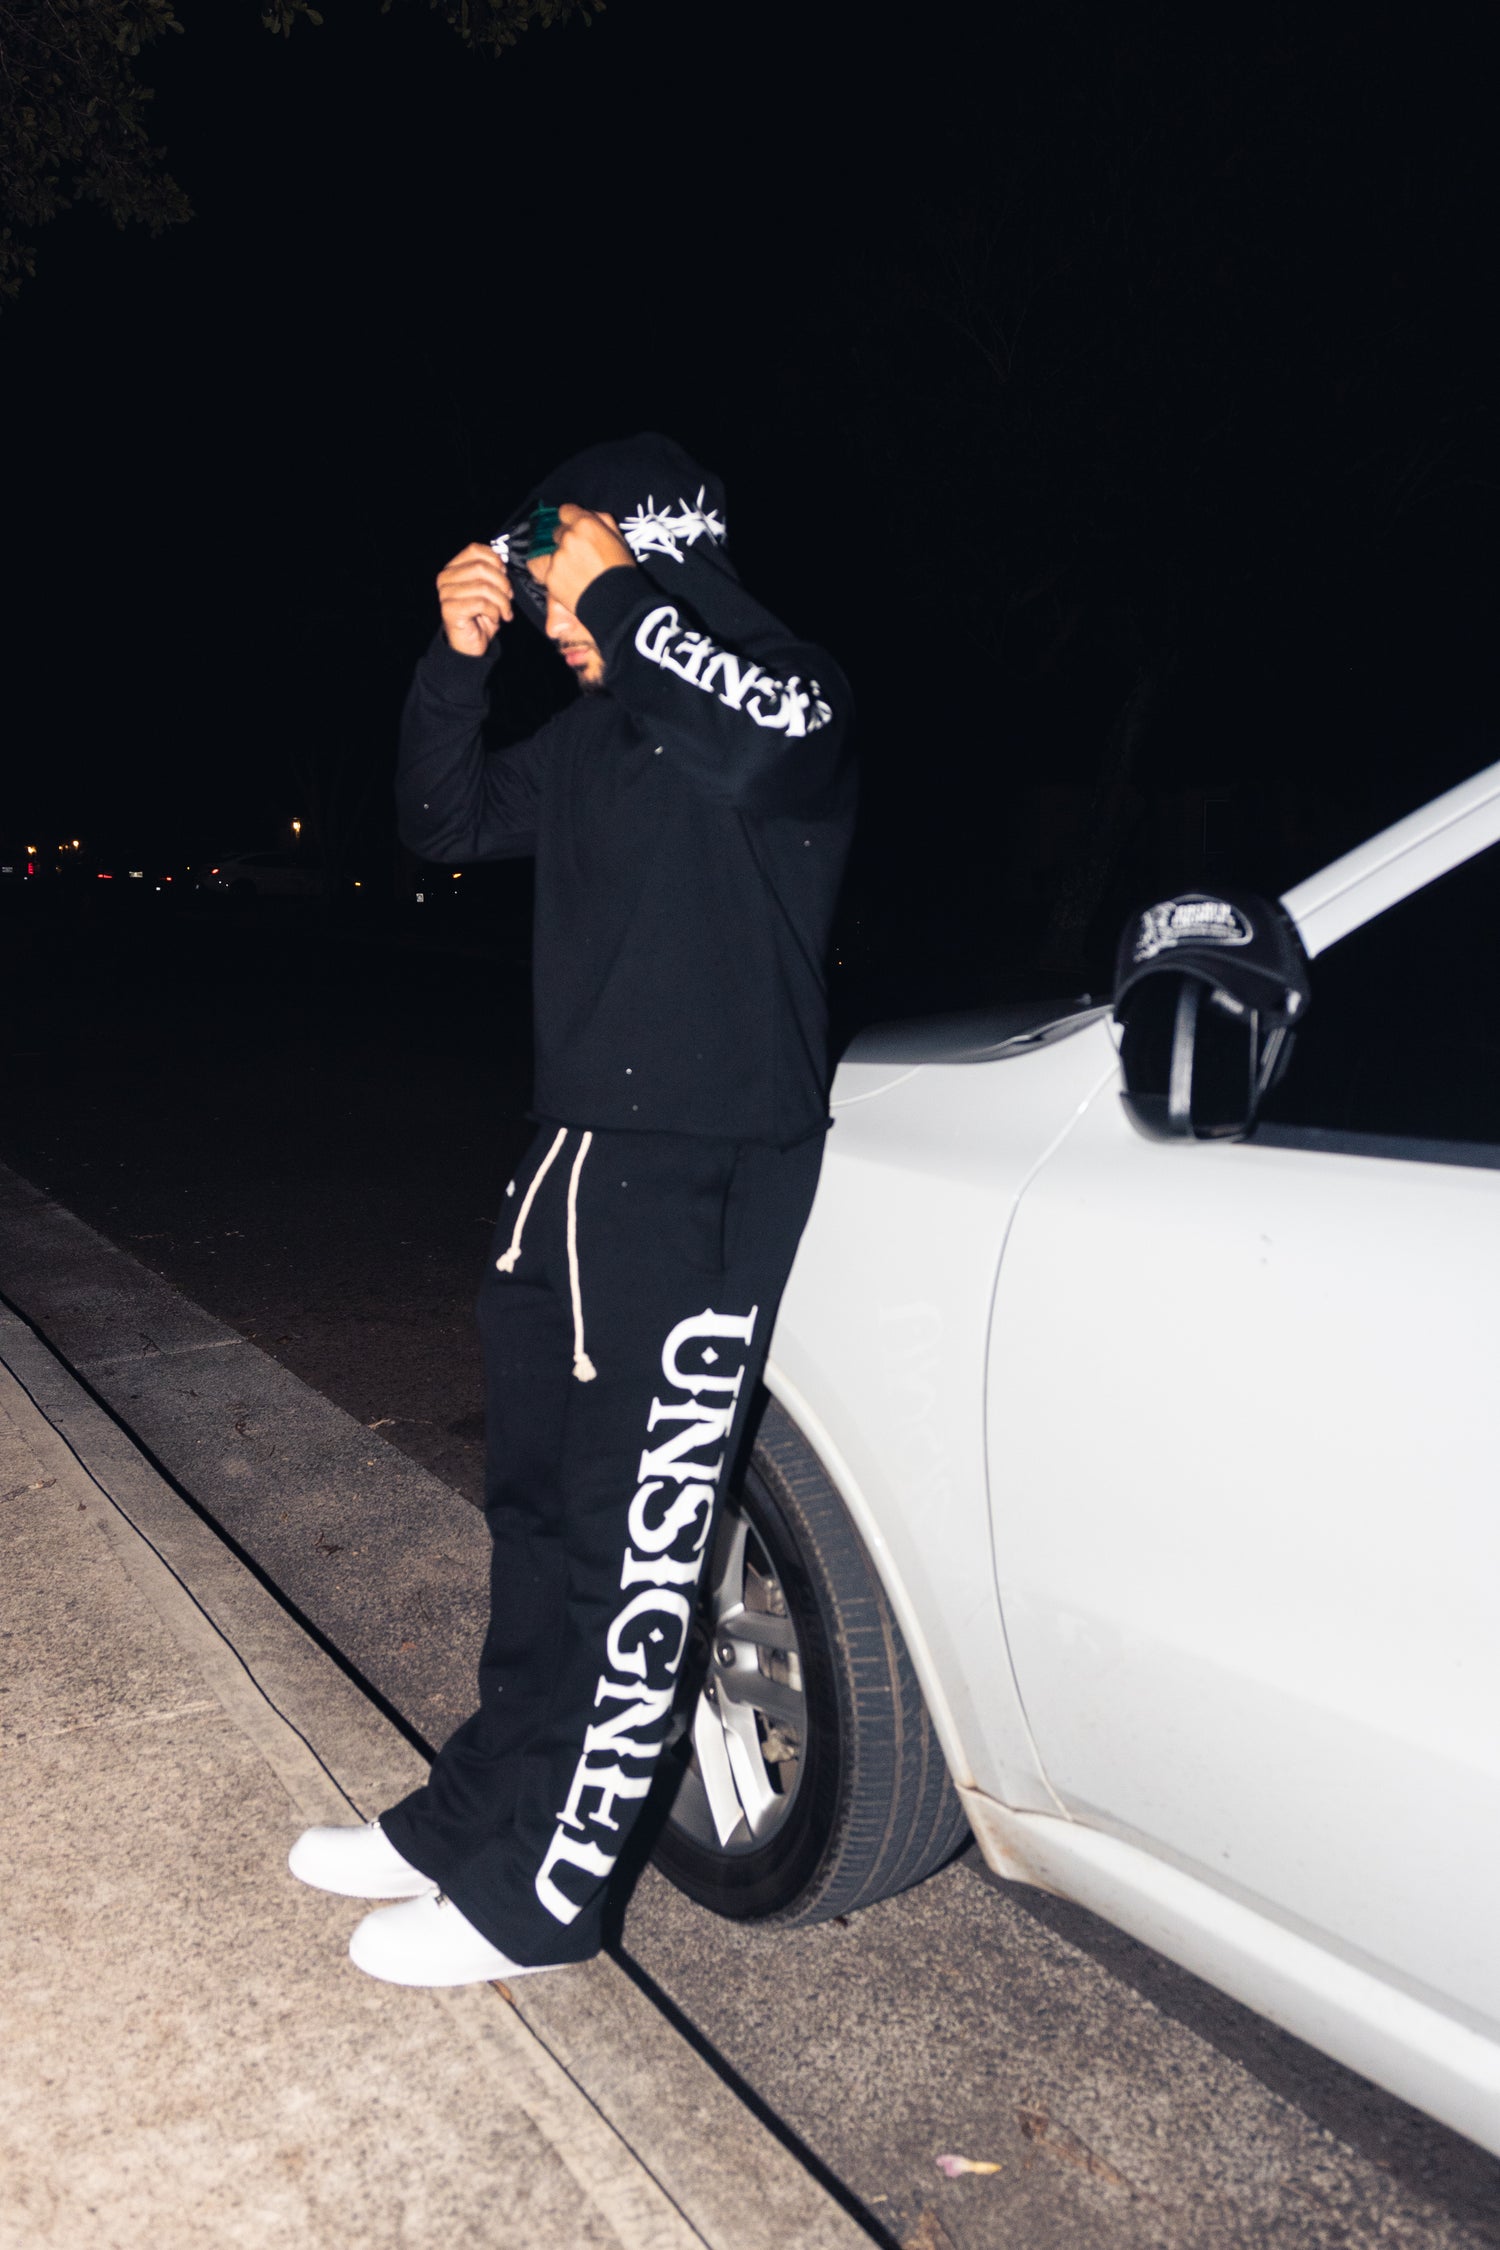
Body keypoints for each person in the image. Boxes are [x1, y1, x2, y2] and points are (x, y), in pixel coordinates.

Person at [287, 433, 856, 1986]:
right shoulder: (605, 732)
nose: (548, 614)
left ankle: (548, 1899)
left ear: (637, 550)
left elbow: (767, 743)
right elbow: (442, 817)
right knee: (539, 1525)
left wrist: (621, 597)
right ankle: (477, 1816)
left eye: (553, 580)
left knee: (632, 1556)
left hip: (702, 1174)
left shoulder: (782, 691)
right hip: (571, 1163)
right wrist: (454, 664)